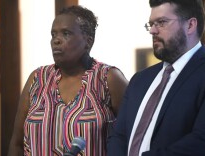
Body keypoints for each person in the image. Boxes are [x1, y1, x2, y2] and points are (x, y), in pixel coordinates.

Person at [107, 0, 205, 156]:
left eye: (162, 22)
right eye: (151, 24)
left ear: (190, 25)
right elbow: (119, 136)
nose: (153, 31)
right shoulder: (140, 80)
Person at [8, 5, 128, 156]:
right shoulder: (37, 79)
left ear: (88, 41)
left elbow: (132, 137)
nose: (56, 40)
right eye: (53, 34)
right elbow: (17, 143)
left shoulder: (108, 78)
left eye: (66, 34)